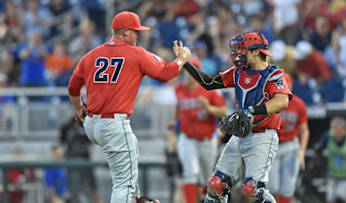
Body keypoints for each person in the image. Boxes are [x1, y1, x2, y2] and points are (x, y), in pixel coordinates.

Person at [67, 11, 191, 203]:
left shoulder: (91, 55)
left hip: (92, 124)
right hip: (113, 123)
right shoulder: (136, 53)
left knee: (129, 180)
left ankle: (135, 199)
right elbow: (165, 75)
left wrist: (78, 109)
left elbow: (73, 87)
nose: (138, 36)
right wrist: (182, 59)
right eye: (135, 31)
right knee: (124, 184)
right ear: (124, 32)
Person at [180, 32, 292, 203]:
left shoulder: (273, 74)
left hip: (263, 135)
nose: (237, 54)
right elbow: (209, 83)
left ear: (256, 52)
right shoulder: (238, 72)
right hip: (240, 136)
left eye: (242, 50)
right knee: (216, 185)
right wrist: (185, 63)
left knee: (253, 190)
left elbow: (282, 101)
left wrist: (251, 111)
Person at [168, 57, 227, 203]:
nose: (189, 74)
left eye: (192, 69)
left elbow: (223, 111)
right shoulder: (179, 89)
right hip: (187, 138)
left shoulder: (210, 89)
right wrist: (174, 123)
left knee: (206, 177)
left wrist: (208, 108)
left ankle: (203, 197)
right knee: (190, 173)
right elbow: (179, 107)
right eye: (187, 70)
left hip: (207, 139)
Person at [268, 73, 310, 203]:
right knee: (271, 187)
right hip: (272, 145)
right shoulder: (268, 103)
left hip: (291, 145)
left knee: (287, 187)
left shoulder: (298, 104)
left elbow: (304, 130)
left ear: (290, 86)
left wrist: (302, 151)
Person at [314, 117, 346, 203]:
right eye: (334, 129)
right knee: (330, 199)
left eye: (339, 129)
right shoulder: (328, 136)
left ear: (344, 130)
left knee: (340, 199)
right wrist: (317, 155)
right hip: (334, 176)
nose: (336, 132)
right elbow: (318, 148)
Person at [59, 116, 103, 203]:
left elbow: (91, 143)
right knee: (73, 188)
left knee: (92, 186)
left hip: (85, 160)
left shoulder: (85, 126)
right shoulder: (66, 127)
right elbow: (62, 143)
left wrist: (89, 153)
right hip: (71, 160)